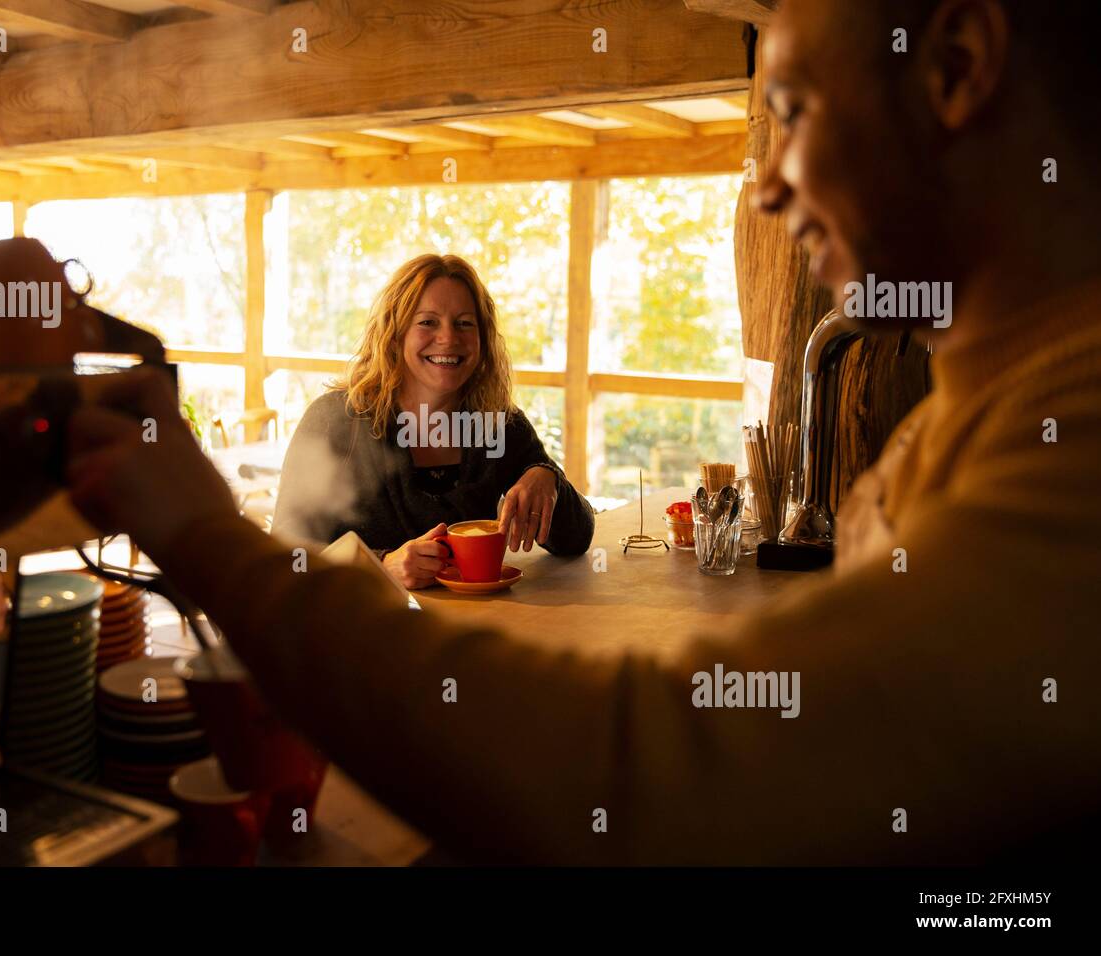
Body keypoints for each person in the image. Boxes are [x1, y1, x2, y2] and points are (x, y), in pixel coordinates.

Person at [67, 0, 1101, 863]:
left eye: (788, 111)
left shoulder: (1070, 450)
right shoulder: (975, 417)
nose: (765, 182)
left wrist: (204, 535)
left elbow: (649, 774)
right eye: (428, 326)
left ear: (957, 68)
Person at [272, 254, 594, 588]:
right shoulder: (337, 420)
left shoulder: (496, 421)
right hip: (358, 632)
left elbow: (577, 538)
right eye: (428, 322)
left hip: (465, 632)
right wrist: (381, 566)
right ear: (395, 334)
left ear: (483, 340)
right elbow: (286, 557)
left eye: (465, 323)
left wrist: (546, 477)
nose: (448, 338)